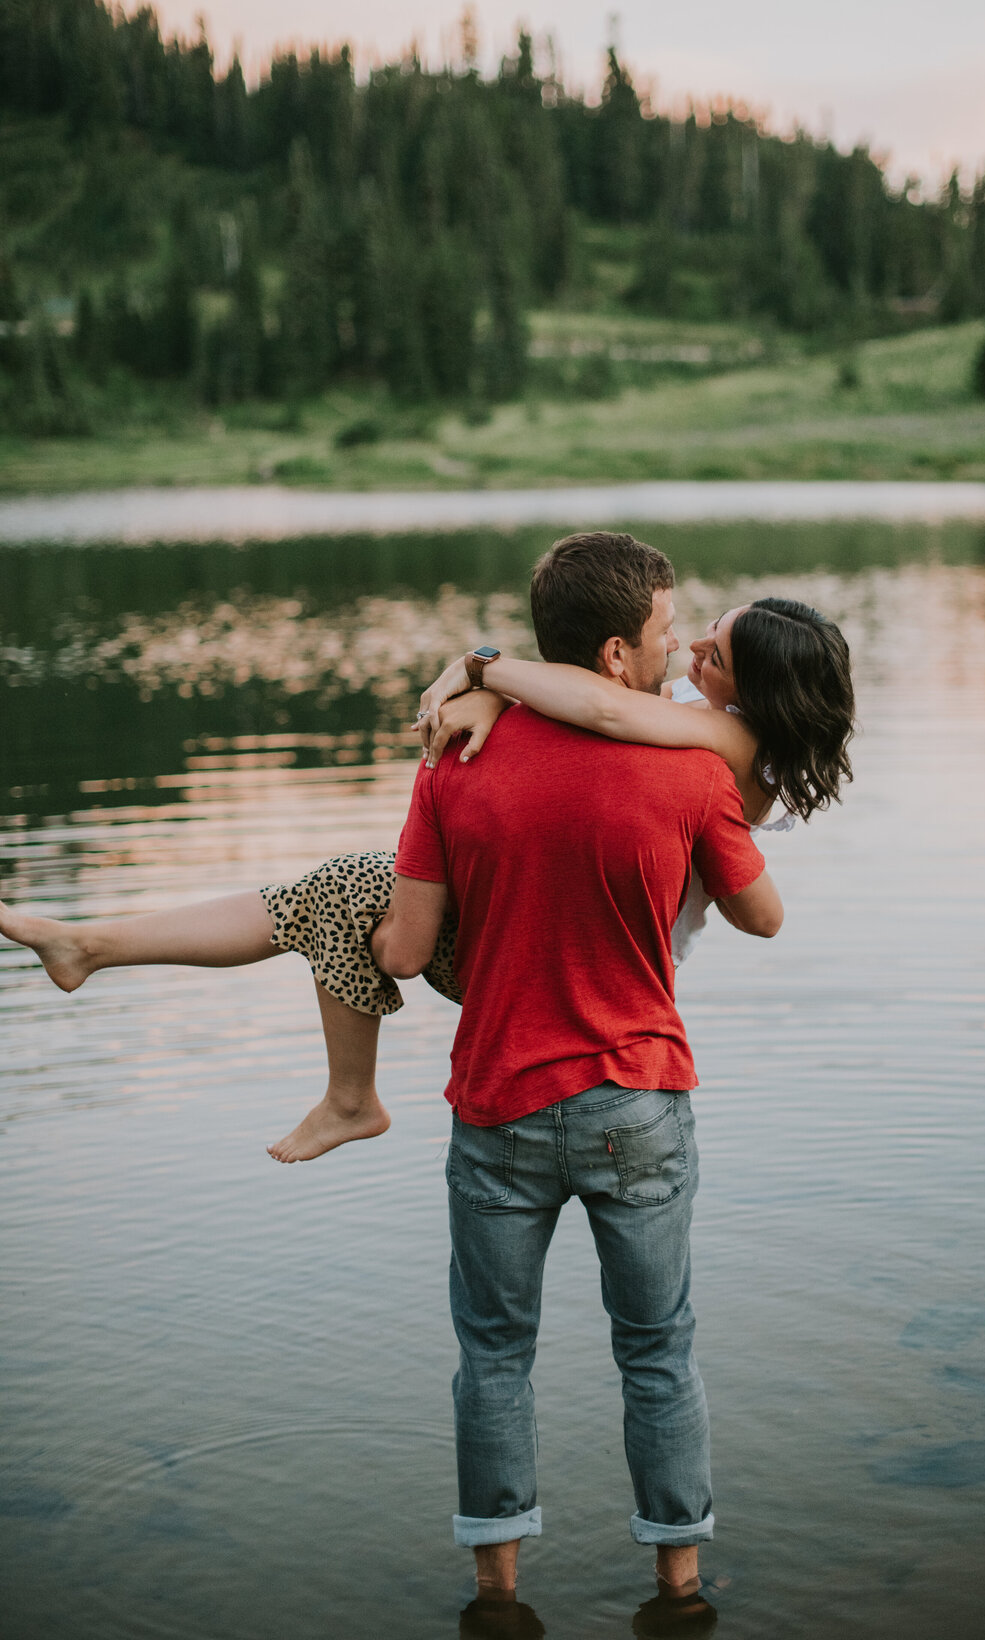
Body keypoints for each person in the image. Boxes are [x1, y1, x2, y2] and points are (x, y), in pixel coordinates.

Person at [0, 544, 855, 1170]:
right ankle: (95, 947)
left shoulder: (724, 743)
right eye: (693, 632)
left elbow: (610, 714)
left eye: (713, 652)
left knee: (338, 888)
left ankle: (345, 1095)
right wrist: (483, 684)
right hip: (586, 966)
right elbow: (597, 697)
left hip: (576, 962)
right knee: (329, 888)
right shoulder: (697, 712)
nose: (691, 651)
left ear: (750, 691)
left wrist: (481, 670)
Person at [371, 529, 784, 1610]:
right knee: (657, 1354)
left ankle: (499, 1594)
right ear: (613, 656)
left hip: (499, 1105)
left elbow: (407, 955)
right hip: (637, 1106)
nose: (675, 645)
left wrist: (356, 926)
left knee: (495, 1355)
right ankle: (681, 1582)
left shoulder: (451, 761)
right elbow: (757, 915)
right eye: (662, 630)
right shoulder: (693, 768)